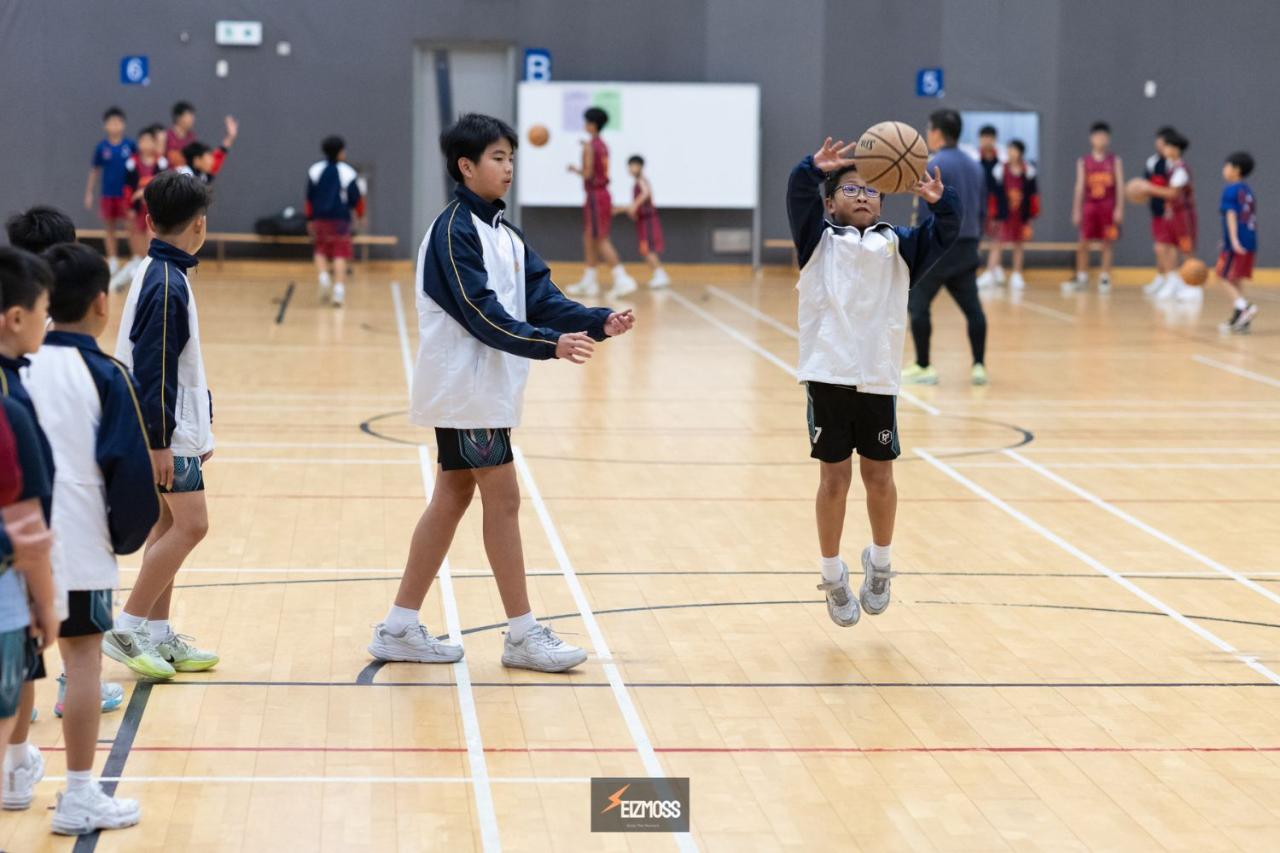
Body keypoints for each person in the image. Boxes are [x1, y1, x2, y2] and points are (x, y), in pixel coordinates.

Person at [369, 113, 635, 673]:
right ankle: (522, 634)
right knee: (505, 499)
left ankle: (398, 626)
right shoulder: (453, 232)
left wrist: (597, 320)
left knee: (451, 497)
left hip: (486, 390)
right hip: (465, 391)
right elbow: (480, 313)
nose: (508, 167)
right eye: (497, 158)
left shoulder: (505, 235)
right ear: (466, 166)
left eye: (511, 158)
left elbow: (543, 298)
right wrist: (550, 345)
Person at [787, 137, 957, 627]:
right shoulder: (817, 240)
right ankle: (832, 574)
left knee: (880, 478)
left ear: (883, 201)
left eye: (871, 190)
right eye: (851, 189)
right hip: (828, 374)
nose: (862, 196)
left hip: (878, 377)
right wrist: (810, 167)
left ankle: (880, 564)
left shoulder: (900, 245)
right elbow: (797, 194)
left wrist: (942, 202)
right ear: (829, 203)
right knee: (834, 480)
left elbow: (948, 231)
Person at [26, 243, 156, 834]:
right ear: (103, 303)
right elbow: (130, 474)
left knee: (19, 663)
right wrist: (123, 539)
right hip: (77, 545)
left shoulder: (15, 367)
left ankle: (13, 771)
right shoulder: (106, 375)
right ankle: (79, 794)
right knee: (82, 663)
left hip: (14, 546)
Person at [4, 207, 129, 721]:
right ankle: (61, 692)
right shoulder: (59, 338)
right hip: (57, 509)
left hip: (26, 508)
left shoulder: (18, 331)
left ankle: (19, 721)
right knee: (75, 641)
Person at [108, 171, 220, 678]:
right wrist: (160, 443)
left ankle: (157, 635)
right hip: (163, 433)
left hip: (172, 431)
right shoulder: (167, 283)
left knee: (168, 524)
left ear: (150, 222)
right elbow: (155, 369)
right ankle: (128, 626)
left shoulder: (164, 272)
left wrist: (201, 429)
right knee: (193, 525)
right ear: (200, 224)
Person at [0, 247, 59, 811]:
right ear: (15, 317)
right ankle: (13, 769)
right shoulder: (11, 409)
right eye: (44, 310)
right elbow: (26, 526)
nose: (49, 321)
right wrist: (46, 601)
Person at [904, 109, 989, 387]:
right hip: (968, 246)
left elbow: (925, 214)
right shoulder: (975, 165)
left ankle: (923, 365)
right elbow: (981, 209)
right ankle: (979, 366)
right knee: (973, 309)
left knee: (918, 303)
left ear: (937, 132)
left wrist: (918, 247)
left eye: (929, 129)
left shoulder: (934, 164)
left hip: (940, 248)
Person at [565, 107, 638, 299]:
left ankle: (622, 278)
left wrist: (575, 168)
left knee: (600, 239)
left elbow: (588, 173)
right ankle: (589, 280)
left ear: (592, 124)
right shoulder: (602, 144)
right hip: (600, 195)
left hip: (596, 196)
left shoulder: (590, 146)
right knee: (589, 237)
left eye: (586, 122)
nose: (584, 125)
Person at [1063, 121, 1124, 294]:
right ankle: (1082, 276)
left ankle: (1105, 277)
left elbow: (1120, 186)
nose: (1100, 139)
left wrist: (1119, 208)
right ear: (1091, 139)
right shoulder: (1084, 161)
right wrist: (1076, 209)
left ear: (1108, 139)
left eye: (1103, 136)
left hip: (1108, 205)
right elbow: (1079, 186)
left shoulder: (1115, 160)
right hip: (1090, 206)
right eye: (1097, 136)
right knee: (1083, 242)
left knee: (1107, 242)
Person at [306, 135, 365, 307]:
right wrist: (360, 215)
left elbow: (309, 198)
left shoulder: (315, 170)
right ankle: (338, 291)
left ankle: (324, 277)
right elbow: (356, 198)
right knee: (340, 253)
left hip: (320, 218)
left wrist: (309, 219)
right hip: (340, 219)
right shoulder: (348, 172)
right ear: (340, 151)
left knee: (320, 250)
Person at [83, 107, 136, 276]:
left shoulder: (130, 145)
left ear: (123, 124)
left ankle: (135, 259)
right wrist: (89, 192)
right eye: (111, 123)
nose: (114, 126)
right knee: (109, 228)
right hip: (108, 193)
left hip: (126, 194)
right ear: (105, 126)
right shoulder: (102, 147)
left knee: (130, 227)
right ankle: (112, 259)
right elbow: (94, 171)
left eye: (118, 122)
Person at [1148, 131, 1199, 303]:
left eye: (1168, 146)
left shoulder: (1181, 169)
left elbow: (1172, 193)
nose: (1165, 148)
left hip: (1184, 215)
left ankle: (1194, 286)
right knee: (1165, 246)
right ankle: (1172, 280)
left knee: (1186, 249)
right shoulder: (1170, 167)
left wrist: (1146, 188)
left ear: (1176, 149)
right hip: (1171, 214)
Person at [118, 124, 170, 291]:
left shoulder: (161, 163)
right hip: (137, 209)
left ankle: (150, 266)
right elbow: (127, 187)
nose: (146, 145)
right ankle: (137, 262)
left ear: (154, 143)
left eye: (149, 141)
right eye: (143, 141)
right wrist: (130, 206)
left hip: (154, 208)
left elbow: (163, 184)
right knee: (135, 232)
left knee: (152, 235)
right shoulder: (131, 163)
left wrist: (145, 191)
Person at [1216, 151, 1259, 333]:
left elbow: (1232, 215)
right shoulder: (1246, 190)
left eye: (1226, 166)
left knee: (1222, 276)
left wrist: (1233, 240)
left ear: (1236, 169)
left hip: (1237, 242)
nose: (1224, 169)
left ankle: (1244, 307)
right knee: (1236, 279)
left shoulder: (1231, 189)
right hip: (1250, 239)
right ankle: (1240, 319)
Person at [988, 140, 1040, 292]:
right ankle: (990, 273)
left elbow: (1033, 195)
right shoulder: (1000, 169)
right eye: (1009, 149)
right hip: (1004, 212)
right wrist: (994, 214)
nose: (1011, 153)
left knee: (1019, 244)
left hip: (1020, 212)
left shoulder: (1028, 171)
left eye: (1014, 150)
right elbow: (994, 194)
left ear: (1020, 153)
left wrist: (1030, 215)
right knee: (997, 242)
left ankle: (1017, 274)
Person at [616, 155, 670, 289]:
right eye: (629, 166)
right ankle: (658, 274)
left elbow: (646, 193)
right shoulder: (636, 183)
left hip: (648, 221)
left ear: (639, 166)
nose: (630, 169)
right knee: (645, 249)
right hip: (642, 222)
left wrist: (634, 205)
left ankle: (660, 275)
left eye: (632, 166)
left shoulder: (641, 180)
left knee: (648, 249)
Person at [1141, 127, 1176, 296]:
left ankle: (1172, 279)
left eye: (1163, 142)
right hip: (1156, 210)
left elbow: (1175, 191)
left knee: (1168, 247)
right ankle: (1161, 277)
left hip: (1172, 212)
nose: (1160, 145)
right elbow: (1145, 185)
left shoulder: (1174, 164)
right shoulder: (1152, 162)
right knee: (1160, 246)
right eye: (1158, 141)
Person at [975, 125, 1005, 288]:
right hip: (978, 203)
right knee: (976, 238)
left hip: (997, 204)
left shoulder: (1003, 159)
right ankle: (975, 271)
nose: (986, 141)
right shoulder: (974, 158)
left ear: (994, 140)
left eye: (990, 138)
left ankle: (992, 270)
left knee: (997, 238)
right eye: (984, 137)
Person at [178, 116, 238, 185]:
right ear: (197, 161)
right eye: (208, 159)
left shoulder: (203, 176)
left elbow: (219, 156)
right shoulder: (182, 176)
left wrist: (230, 137)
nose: (212, 162)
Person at [165, 101, 197, 169]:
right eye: (189, 116)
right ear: (178, 118)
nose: (192, 120)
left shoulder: (192, 137)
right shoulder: (166, 136)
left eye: (192, 117)